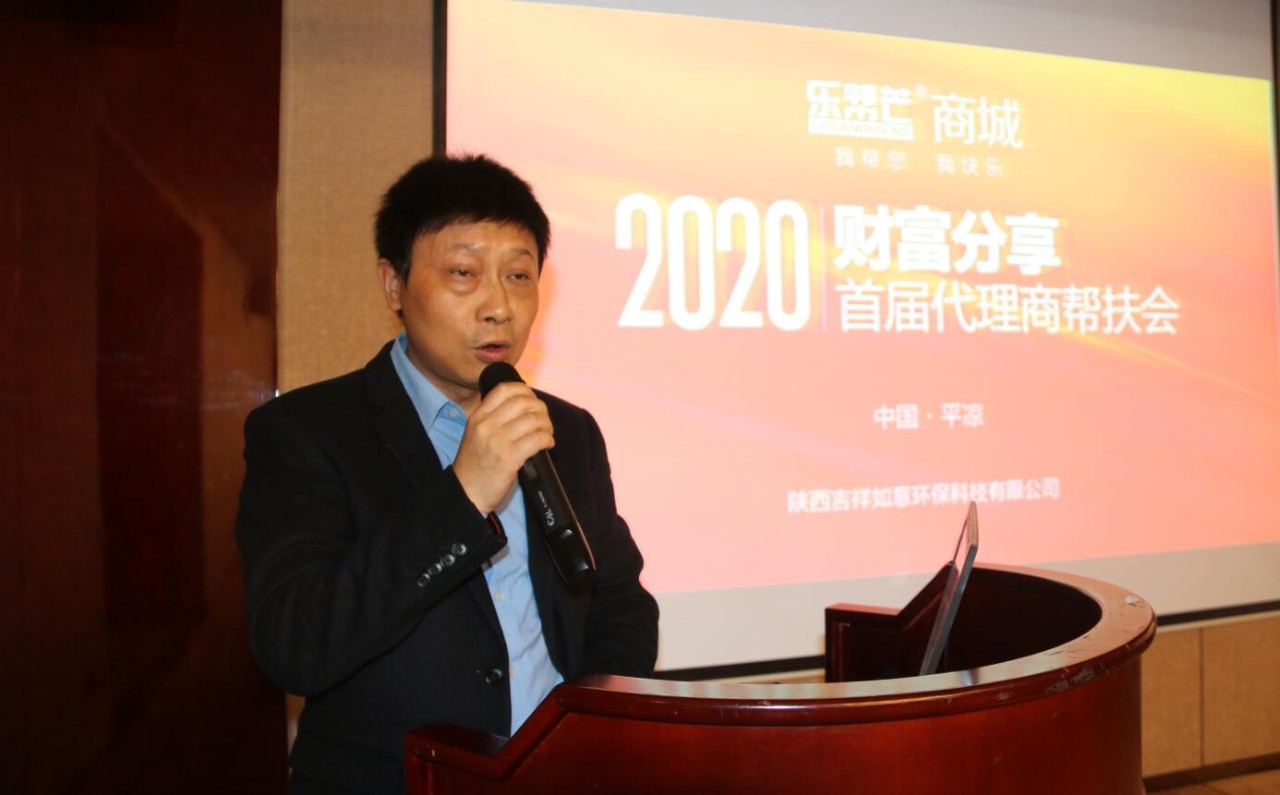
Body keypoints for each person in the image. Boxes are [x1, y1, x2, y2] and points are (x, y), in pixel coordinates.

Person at [235, 154, 660, 793]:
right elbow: (295, 645)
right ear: (393, 284)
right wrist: (463, 494)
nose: (499, 307)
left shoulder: (567, 430)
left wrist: (588, 736)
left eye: (519, 275)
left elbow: (619, 602)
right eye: (464, 273)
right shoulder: (306, 432)